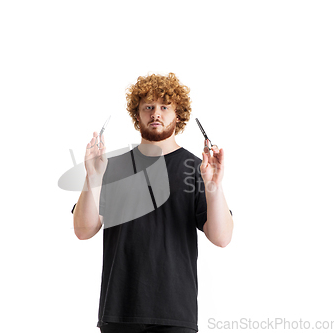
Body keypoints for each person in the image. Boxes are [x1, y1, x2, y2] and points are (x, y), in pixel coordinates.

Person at [72, 73, 233, 333]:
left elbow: (222, 237)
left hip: (175, 314)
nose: (155, 113)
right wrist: (92, 177)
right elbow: (83, 230)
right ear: (137, 115)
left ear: (178, 116)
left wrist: (214, 185)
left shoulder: (196, 169)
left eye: (164, 107)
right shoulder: (111, 168)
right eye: (148, 107)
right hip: (119, 312)